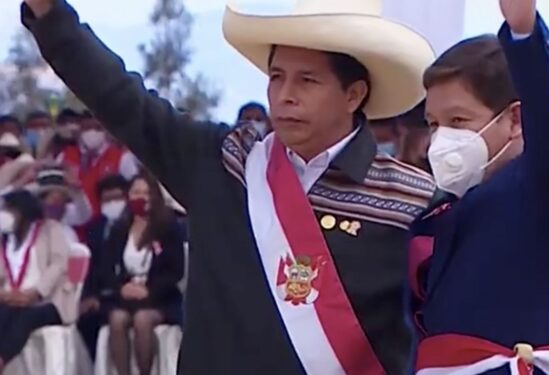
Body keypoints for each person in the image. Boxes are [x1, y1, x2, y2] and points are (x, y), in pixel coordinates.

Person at [21, 0, 436, 373]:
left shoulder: (407, 198)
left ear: (354, 94)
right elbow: (122, 98)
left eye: (307, 81)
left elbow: (433, 328)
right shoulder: (225, 161)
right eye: (277, 77)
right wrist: (49, 13)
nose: (285, 96)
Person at [409, 1, 549, 373]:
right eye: (434, 124)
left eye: (458, 120)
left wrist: (525, 33)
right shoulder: (438, 213)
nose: (442, 139)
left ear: (516, 119)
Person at [98, 172, 184, 375]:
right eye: (136, 192)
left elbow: (176, 270)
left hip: (158, 298)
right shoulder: (119, 230)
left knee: (142, 320)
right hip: (126, 297)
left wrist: (149, 291)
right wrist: (122, 287)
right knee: (117, 319)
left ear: (155, 196)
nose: (141, 197)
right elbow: (106, 267)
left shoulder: (168, 228)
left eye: (146, 192)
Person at [0, 189, 76, 372]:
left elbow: (59, 265)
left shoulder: (51, 229)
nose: (4, 215)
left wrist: (35, 293)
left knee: (25, 316)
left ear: (23, 211)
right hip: (10, 299)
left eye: (9, 210)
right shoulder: (4, 239)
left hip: (47, 300)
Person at [78, 173, 130, 360]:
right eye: (107, 199)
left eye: (117, 197)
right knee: (84, 320)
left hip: (124, 293)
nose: (112, 203)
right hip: (98, 293)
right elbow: (90, 268)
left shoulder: (134, 225)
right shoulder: (95, 227)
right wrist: (89, 296)